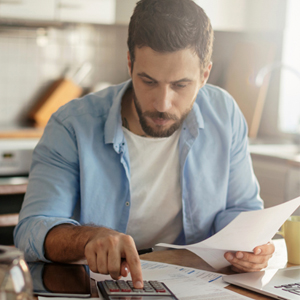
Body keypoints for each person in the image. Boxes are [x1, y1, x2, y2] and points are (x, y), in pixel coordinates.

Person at [14, 0, 274, 289]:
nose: (162, 104)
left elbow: (241, 209)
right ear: (129, 63)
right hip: (95, 288)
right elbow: (31, 231)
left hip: (194, 286)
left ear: (204, 75)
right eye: (148, 81)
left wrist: (250, 247)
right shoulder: (72, 125)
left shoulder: (225, 114)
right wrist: (89, 237)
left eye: (180, 85)